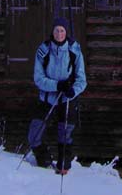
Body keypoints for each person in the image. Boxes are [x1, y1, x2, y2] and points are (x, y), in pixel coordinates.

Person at [27, 17, 87, 174]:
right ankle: (44, 159)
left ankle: (63, 166)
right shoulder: (43, 50)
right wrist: (57, 85)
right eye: (56, 30)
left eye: (62, 30)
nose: (59, 33)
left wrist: (73, 90)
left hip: (67, 99)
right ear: (52, 32)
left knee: (65, 135)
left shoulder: (75, 50)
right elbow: (38, 79)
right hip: (47, 98)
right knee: (34, 135)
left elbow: (82, 79)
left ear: (66, 32)